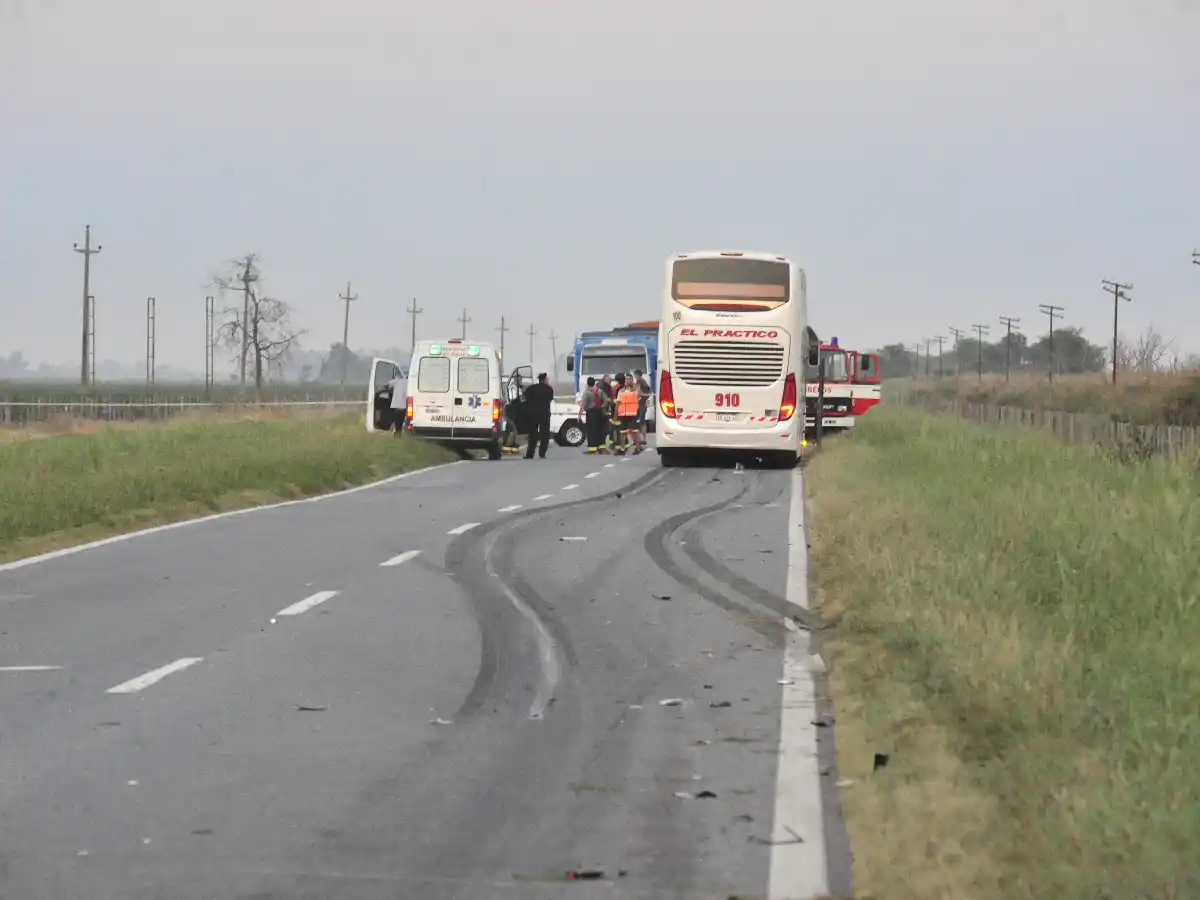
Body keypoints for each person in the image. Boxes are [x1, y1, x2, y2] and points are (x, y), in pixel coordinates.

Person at [523, 371, 555, 459]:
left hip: (533, 414)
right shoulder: (549, 389)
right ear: (544, 379)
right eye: (547, 379)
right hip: (544, 414)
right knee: (544, 434)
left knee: (532, 435)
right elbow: (550, 399)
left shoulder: (531, 388)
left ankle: (530, 454)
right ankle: (542, 453)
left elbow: (525, 397)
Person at [615, 375, 643, 454]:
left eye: (629, 379)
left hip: (633, 414)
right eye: (626, 379)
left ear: (632, 380)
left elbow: (640, 395)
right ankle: (622, 449)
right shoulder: (621, 391)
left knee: (635, 431)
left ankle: (638, 448)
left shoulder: (635, 390)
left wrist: (636, 387)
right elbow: (618, 403)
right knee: (623, 432)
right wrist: (616, 415)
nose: (627, 381)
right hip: (623, 414)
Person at [580, 376, 606, 453]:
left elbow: (583, 404)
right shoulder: (600, 390)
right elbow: (606, 400)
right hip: (599, 411)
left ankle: (592, 449)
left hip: (591, 413)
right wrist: (602, 407)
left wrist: (579, 415)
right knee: (600, 429)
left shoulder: (586, 392)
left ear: (587, 383)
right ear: (594, 383)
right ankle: (601, 447)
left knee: (591, 430)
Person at [633, 368, 651, 444]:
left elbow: (647, 393)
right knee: (641, 422)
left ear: (637, 375)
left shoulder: (641, 382)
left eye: (635, 375)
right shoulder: (641, 381)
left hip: (641, 405)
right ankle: (641, 439)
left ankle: (642, 439)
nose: (635, 377)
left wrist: (641, 395)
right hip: (640, 405)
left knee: (641, 422)